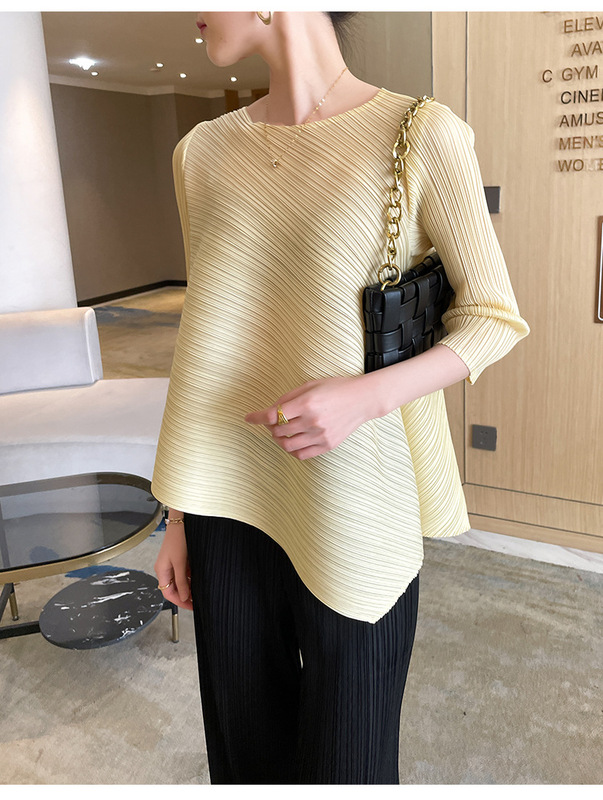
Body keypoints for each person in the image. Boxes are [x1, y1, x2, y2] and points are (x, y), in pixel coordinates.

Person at [152, 11, 530, 785]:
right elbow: (208, 336)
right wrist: (178, 518)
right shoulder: (200, 153)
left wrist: (365, 398)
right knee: (244, 761)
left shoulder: (419, 134)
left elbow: (492, 317)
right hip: (225, 496)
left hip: (358, 496)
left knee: (349, 763)